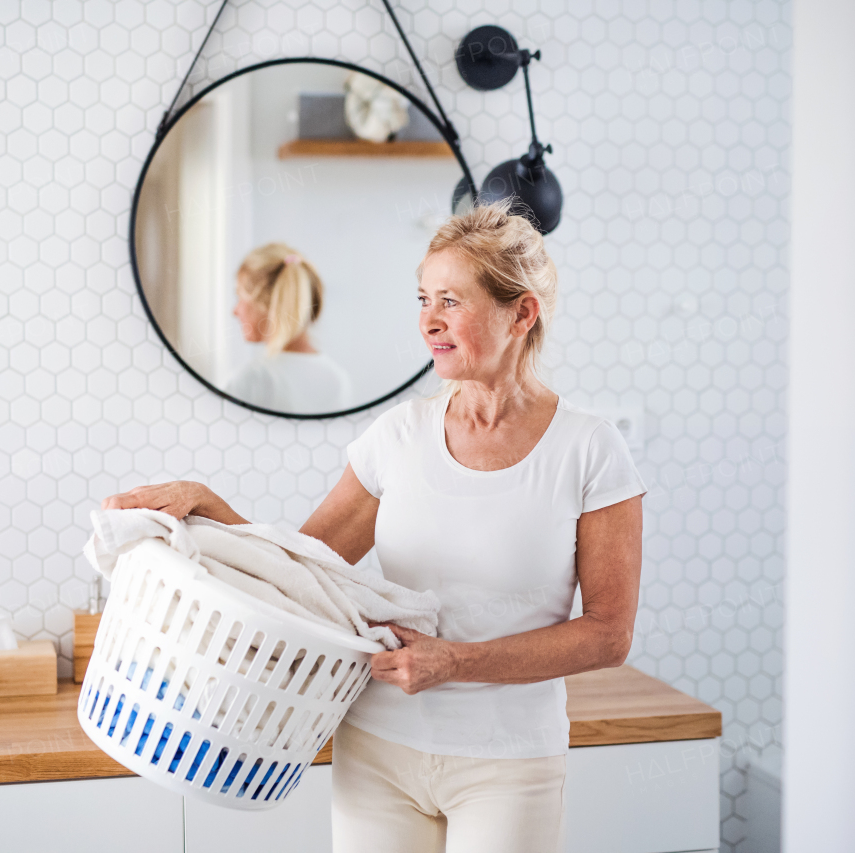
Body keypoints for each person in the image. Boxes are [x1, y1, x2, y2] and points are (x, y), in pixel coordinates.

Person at [103, 202, 647, 853]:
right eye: (423, 298)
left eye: (451, 300)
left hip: (508, 763)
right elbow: (306, 572)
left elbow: (608, 635)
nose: (430, 321)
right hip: (380, 749)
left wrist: (457, 663)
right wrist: (212, 505)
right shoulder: (398, 435)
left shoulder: (589, 449)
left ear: (521, 313)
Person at [224, 242, 353, 413]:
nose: (235, 311)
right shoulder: (337, 379)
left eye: (239, 296)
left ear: (265, 303)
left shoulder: (252, 380)